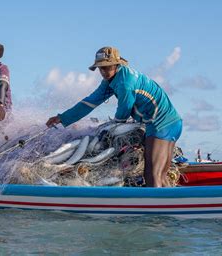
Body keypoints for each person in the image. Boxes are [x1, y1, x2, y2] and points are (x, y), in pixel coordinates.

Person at [46, 46, 182, 187]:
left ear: (117, 64)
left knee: (151, 173)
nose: (104, 72)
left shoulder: (125, 82)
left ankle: (155, 207)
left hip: (161, 125)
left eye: (107, 67)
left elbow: (124, 110)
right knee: (161, 175)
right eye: (101, 68)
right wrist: (62, 117)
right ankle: (169, 204)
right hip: (172, 123)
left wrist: (112, 128)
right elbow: (90, 102)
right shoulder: (112, 80)